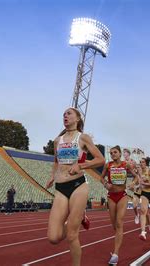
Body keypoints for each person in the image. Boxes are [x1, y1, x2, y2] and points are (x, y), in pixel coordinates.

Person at [46, 107, 105, 266]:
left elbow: (100, 160)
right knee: (53, 237)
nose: (65, 115)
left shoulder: (83, 138)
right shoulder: (57, 141)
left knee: (72, 236)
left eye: (69, 113)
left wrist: (81, 166)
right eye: (63, 114)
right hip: (61, 187)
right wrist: (52, 176)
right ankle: (78, 219)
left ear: (77, 118)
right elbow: (56, 161)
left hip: (78, 185)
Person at [101, 145, 139, 265]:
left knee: (119, 222)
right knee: (114, 226)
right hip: (111, 197)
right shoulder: (108, 165)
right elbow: (101, 178)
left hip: (122, 195)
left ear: (120, 153)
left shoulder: (126, 165)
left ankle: (116, 254)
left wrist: (132, 184)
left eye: (115, 152)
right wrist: (106, 184)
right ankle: (118, 242)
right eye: (111, 153)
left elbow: (136, 177)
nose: (113, 154)